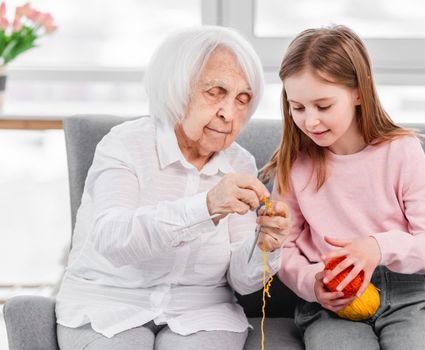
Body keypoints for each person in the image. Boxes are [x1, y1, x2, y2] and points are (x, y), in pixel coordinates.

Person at [55, 26, 291, 350]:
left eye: (242, 99)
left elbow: (242, 280)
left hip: (202, 311)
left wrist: (265, 246)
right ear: (177, 87)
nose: (228, 112)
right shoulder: (124, 145)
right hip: (107, 303)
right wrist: (207, 206)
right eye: (215, 92)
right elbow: (113, 239)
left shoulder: (241, 164)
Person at [262, 25, 425, 349]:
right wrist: (312, 283)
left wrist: (377, 247)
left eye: (323, 106)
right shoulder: (295, 164)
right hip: (331, 301)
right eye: (298, 107)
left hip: (405, 295)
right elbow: (283, 248)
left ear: (358, 92)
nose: (310, 121)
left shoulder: (401, 150)